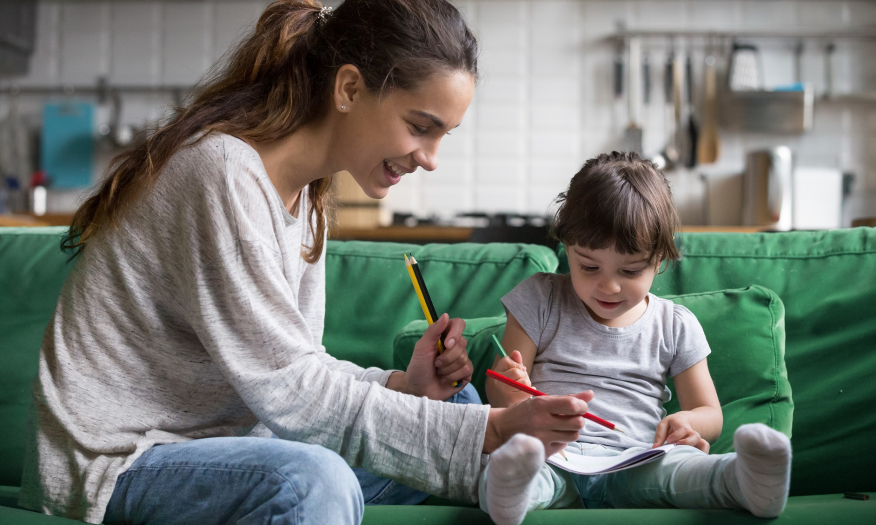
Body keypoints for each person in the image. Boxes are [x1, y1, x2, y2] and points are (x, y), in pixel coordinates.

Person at [18, 1, 596, 524]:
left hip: (235, 445)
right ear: (348, 88)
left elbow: (297, 366)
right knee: (313, 483)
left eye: (443, 135)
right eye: (421, 127)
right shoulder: (222, 173)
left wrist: (403, 384)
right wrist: (489, 431)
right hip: (119, 463)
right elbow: (291, 389)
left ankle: (582, 478)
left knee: (455, 405)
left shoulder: (310, 201)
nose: (431, 158)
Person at [480, 152, 793, 525]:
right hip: (551, 453)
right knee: (516, 463)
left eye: (630, 270)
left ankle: (744, 481)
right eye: (589, 266)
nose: (608, 285)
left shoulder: (675, 324)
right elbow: (504, 393)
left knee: (684, 470)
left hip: (636, 459)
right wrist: (508, 388)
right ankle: (508, 493)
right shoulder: (540, 298)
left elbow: (710, 413)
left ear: (659, 259)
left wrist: (688, 422)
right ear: (567, 248)